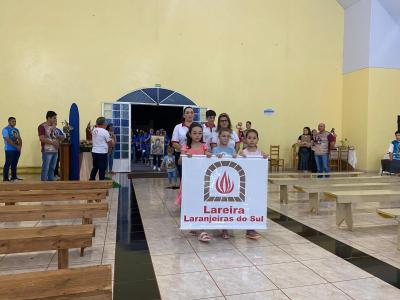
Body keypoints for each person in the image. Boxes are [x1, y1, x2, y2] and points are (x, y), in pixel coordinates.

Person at [177, 122, 212, 242]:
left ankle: (200, 229)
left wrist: (208, 155)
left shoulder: (204, 146)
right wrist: (185, 155)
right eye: (195, 133)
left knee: (200, 204)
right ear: (190, 134)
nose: (197, 135)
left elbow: (210, 158)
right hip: (189, 181)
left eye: (200, 133)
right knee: (192, 204)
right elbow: (180, 162)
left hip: (201, 180)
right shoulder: (186, 147)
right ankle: (197, 227)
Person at [239, 129, 268, 239]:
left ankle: (251, 229)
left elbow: (262, 166)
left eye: (254, 138)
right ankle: (246, 226)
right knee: (245, 206)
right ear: (245, 140)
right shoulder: (243, 152)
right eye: (249, 138)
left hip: (256, 185)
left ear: (258, 140)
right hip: (245, 185)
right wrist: (240, 156)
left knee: (254, 206)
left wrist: (264, 157)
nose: (251, 140)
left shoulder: (260, 153)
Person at [172, 106, 195, 178]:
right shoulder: (178, 127)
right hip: (181, 154)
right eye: (187, 113)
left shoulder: (197, 127)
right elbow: (174, 143)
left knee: (193, 176)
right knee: (183, 177)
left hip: (194, 154)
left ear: (194, 114)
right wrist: (185, 151)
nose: (190, 114)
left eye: (191, 112)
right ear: (184, 115)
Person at [38, 111, 59, 181]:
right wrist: (53, 143)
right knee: (46, 168)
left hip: (55, 150)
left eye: (56, 118)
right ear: (49, 118)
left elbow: (55, 137)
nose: (55, 120)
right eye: (54, 118)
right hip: (47, 151)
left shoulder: (54, 127)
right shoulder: (42, 126)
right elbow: (42, 138)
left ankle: (51, 182)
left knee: (52, 168)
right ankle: (44, 184)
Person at [2, 117, 22, 182]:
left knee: (14, 164)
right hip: (9, 149)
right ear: (9, 121)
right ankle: (5, 178)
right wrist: (16, 146)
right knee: (8, 163)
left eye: (15, 121)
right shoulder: (5, 129)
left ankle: (14, 177)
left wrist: (20, 147)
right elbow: (8, 140)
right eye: (13, 121)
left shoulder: (16, 130)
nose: (14, 123)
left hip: (17, 150)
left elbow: (19, 139)